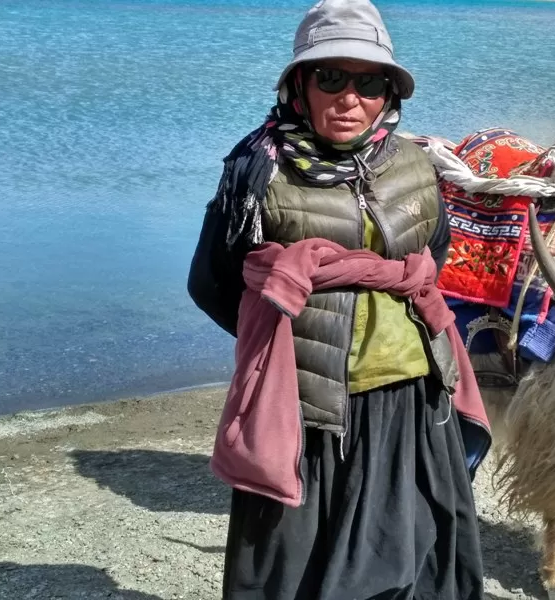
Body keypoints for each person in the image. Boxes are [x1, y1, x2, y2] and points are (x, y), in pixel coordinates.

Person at [186, 1, 491, 599]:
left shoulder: (413, 165)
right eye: (330, 77)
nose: (349, 98)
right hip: (306, 405)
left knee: (411, 555)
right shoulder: (257, 171)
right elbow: (212, 282)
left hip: (409, 394)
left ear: (387, 94)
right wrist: (276, 349)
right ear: (299, 84)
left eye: (368, 82)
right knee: (292, 570)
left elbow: (433, 257)